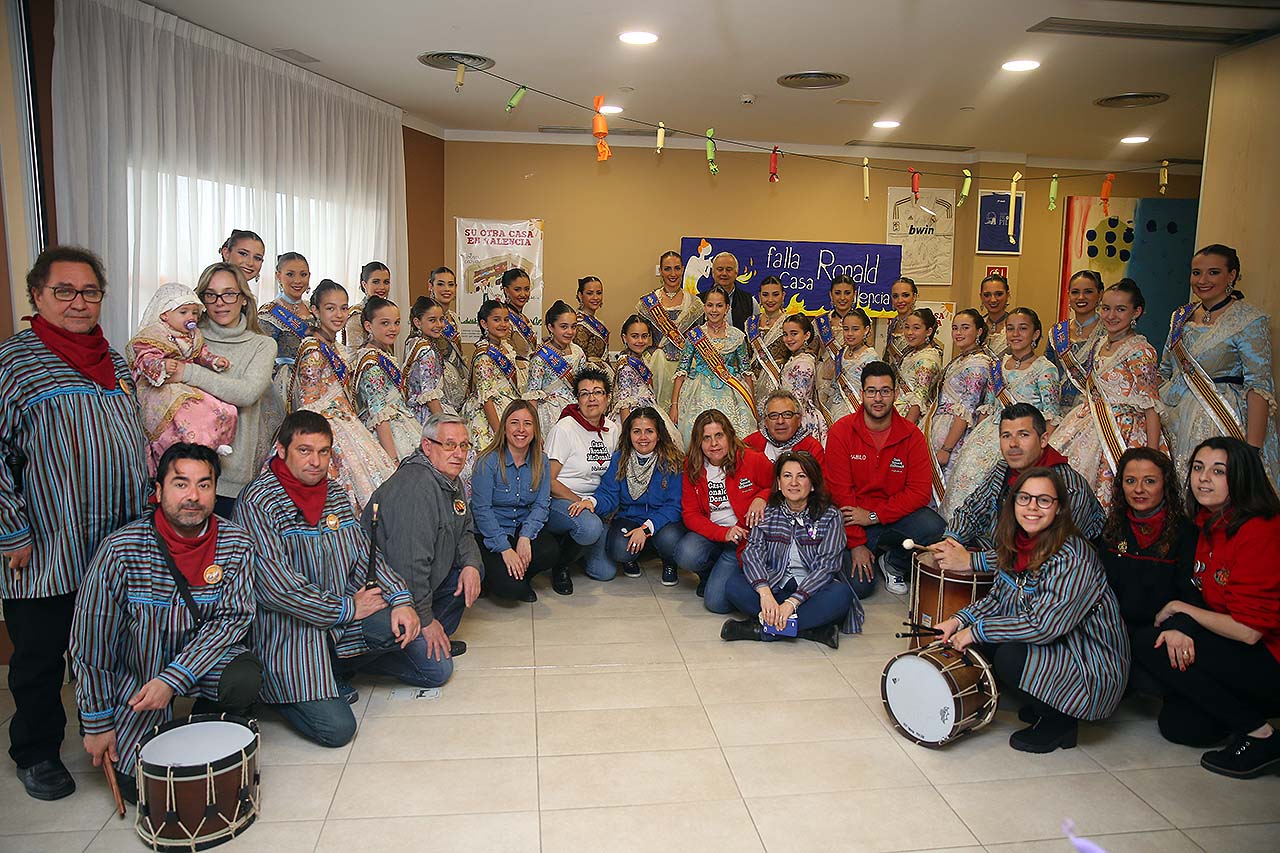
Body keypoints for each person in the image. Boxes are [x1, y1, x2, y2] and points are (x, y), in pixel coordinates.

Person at [0, 246, 151, 800]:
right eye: (64, 291)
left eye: (89, 291)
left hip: (114, 537)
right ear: (37, 295)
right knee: (40, 654)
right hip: (45, 544)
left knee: (112, 646)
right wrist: (11, 527)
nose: (78, 302)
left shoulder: (112, 361)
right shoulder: (14, 362)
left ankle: (120, 735)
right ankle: (36, 751)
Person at [71, 444, 262, 801]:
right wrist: (96, 723)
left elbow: (233, 619)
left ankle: (209, 721)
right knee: (144, 786)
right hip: (138, 678)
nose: (193, 496)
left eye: (204, 485)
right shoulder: (120, 550)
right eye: (181, 484)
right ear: (158, 492)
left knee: (244, 674)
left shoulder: (236, 543)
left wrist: (173, 679)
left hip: (199, 664)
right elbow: (90, 640)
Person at [232, 411, 422, 748]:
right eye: (304, 450)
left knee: (420, 652)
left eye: (323, 451)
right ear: (281, 450)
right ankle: (278, 690)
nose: (315, 461)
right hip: (289, 632)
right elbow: (277, 589)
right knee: (338, 731)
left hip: (339, 621)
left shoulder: (333, 493)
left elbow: (366, 553)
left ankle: (334, 668)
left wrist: (401, 599)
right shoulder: (257, 502)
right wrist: (348, 607)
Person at [935, 467, 1129, 753]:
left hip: (1090, 663)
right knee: (984, 644)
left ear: (1059, 507)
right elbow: (999, 599)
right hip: (1060, 647)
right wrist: (957, 620)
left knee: (1009, 657)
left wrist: (975, 631)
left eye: (1043, 500)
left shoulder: (1073, 556)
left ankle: (1061, 723)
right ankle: (1045, 702)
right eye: (1024, 499)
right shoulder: (1018, 545)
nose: (1032, 508)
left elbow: (1044, 625)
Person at [1130, 437, 1280, 778]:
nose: (1203, 479)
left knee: (1147, 641)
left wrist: (1182, 613)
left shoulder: (1260, 530)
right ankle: (1245, 715)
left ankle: (1263, 736)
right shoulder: (1206, 523)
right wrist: (1183, 623)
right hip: (1235, 648)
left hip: (1269, 657)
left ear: (1242, 477)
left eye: (1218, 471)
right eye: (1198, 468)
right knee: (1181, 728)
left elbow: (1249, 631)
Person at [363, 413, 483, 672]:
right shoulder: (416, 486)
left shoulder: (451, 479)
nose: (459, 454)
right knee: (438, 670)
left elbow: (465, 531)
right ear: (427, 446)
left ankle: (425, 636)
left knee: (472, 570)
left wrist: (471, 565)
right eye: (449, 445)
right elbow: (408, 566)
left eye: (464, 446)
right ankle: (371, 660)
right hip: (388, 596)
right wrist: (427, 621)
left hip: (424, 581)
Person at [1158, 244, 1279, 491]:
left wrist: (1251, 450)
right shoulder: (1180, 317)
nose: (1202, 280)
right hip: (1174, 419)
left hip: (1223, 418)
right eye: (1196, 273)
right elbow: (1165, 369)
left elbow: (1259, 386)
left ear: (1231, 275)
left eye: (1213, 272)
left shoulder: (1249, 320)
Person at [933, 403, 1103, 573]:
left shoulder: (1069, 488)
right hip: (1008, 558)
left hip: (1056, 581)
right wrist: (951, 541)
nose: (1013, 444)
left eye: (1023, 435)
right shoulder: (1004, 469)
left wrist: (973, 561)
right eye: (1006, 436)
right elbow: (973, 510)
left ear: (1043, 440)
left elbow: (1046, 552)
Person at [824, 361, 945, 597]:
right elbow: (841, 494)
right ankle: (870, 551)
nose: (878, 398)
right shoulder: (841, 431)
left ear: (896, 394)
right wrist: (857, 543)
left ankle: (894, 562)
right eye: (871, 391)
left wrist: (874, 515)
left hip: (890, 518)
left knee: (934, 526)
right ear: (862, 394)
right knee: (860, 588)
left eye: (885, 391)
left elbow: (919, 492)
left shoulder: (912, 436)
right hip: (853, 522)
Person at [721, 451, 859, 648]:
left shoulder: (831, 516)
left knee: (841, 594)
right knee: (734, 585)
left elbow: (827, 567)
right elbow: (752, 554)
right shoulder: (767, 512)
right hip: (775, 584)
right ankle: (810, 630)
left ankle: (760, 630)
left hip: (812, 590)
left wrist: (792, 603)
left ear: (812, 484)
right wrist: (765, 594)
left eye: (801, 476)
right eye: (787, 476)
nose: (793, 482)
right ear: (778, 483)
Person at [1050, 279, 1166, 507]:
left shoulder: (1141, 350)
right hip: (1087, 421)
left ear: (1137, 311)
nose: (1111, 315)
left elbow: (1152, 406)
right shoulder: (1100, 343)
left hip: (1123, 430)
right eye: (1106, 308)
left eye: (1120, 309)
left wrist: (1153, 456)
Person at [942, 308, 1061, 520]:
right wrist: (975, 439)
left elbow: (1051, 417)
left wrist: (1039, 452)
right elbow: (987, 406)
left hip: (1024, 436)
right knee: (967, 471)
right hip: (991, 431)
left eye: (1022, 329)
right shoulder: (998, 366)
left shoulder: (1045, 368)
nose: (1015, 334)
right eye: (1011, 328)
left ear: (1035, 334)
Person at [290, 279, 395, 513]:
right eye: (330, 308)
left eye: (344, 308)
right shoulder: (313, 349)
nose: (339, 314)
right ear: (315, 310)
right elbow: (308, 405)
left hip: (348, 422)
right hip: (325, 428)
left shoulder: (338, 348)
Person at [189, 262, 282, 517]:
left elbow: (246, 393)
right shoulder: (188, 339)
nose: (220, 302)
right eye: (211, 294)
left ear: (243, 298)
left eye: (229, 293)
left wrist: (189, 373)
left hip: (233, 478)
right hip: (185, 471)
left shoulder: (262, 345)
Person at [128, 283, 237, 468]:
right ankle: (189, 447)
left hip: (185, 383)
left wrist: (214, 361)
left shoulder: (193, 335)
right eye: (184, 312)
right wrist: (161, 365)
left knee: (223, 408)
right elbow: (144, 359)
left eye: (194, 313)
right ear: (165, 314)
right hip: (161, 386)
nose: (191, 317)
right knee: (187, 415)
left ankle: (212, 442)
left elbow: (201, 353)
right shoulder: (155, 334)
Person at [1097, 447, 1199, 636]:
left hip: (1165, 633)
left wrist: (1180, 629)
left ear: (1165, 485)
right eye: (1130, 481)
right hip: (1113, 632)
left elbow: (1192, 598)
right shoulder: (1112, 529)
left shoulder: (1185, 533)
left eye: (1149, 481)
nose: (1138, 490)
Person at [676, 410, 771, 611]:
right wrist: (723, 533)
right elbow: (690, 514)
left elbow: (778, 486)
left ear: (729, 435)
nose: (714, 444)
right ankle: (711, 572)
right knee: (686, 552)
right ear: (698, 443)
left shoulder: (752, 459)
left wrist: (762, 497)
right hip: (714, 534)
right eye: (706, 438)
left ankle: (731, 573)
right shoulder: (692, 466)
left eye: (719, 436)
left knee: (716, 604)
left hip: (743, 538)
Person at [470, 400, 562, 602]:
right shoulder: (487, 461)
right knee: (510, 591)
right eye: (514, 423)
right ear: (504, 428)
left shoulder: (542, 461)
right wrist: (504, 548)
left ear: (535, 430)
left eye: (528, 423)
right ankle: (501, 577)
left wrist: (525, 537)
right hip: (491, 531)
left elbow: (541, 504)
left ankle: (518, 574)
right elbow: (481, 510)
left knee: (550, 551)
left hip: (520, 527)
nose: (521, 429)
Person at [543, 367, 622, 591]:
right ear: (577, 399)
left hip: (596, 502)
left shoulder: (612, 429)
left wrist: (601, 504)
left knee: (604, 573)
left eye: (597, 392)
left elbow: (614, 474)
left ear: (607, 398)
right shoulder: (565, 428)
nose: (591, 398)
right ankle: (561, 565)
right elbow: (549, 481)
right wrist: (581, 502)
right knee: (589, 527)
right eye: (584, 393)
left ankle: (575, 545)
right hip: (561, 500)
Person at [593, 407, 686, 585]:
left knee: (670, 540)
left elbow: (675, 506)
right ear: (629, 435)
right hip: (630, 517)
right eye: (637, 432)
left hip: (663, 522)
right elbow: (609, 494)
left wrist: (646, 529)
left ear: (659, 434)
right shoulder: (619, 459)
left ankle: (669, 560)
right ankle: (633, 555)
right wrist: (592, 502)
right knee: (619, 550)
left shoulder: (673, 461)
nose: (643, 437)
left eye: (649, 431)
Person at [670, 286, 756, 446]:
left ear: (727, 308)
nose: (714, 310)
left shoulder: (737, 336)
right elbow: (681, 371)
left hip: (731, 390)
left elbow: (746, 372)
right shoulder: (695, 336)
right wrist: (674, 405)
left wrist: (752, 406)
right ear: (704, 307)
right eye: (710, 305)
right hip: (698, 391)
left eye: (719, 305)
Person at [927, 309, 992, 505]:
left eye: (965, 328)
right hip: (940, 425)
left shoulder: (978, 364)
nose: (958, 333)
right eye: (955, 328)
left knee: (946, 488)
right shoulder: (961, 359)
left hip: (954, 435)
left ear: (979, 331)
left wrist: (947, 448)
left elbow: (967, 409)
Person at [351, 296, 422, 461]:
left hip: (400, 422)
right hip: (388, 433)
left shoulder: (383, 353)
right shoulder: (373, 363)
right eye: (385, 323)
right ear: (368, 326)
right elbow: (379, 413)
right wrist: (392, 459)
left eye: (396, 322)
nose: (393, 328)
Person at [638, 250, 704, 412]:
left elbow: (698, 338)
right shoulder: (648, 303)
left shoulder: (695, 304)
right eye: (667, 269)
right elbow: (642, 337)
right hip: (656, 364)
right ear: (661, 271)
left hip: (686, 366)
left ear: (682, 269)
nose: (672, 273)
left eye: (676, 268)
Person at [611, 314, 682, 449]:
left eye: (644, 336)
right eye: (635, 336)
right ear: (624, 338)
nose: (640, 340)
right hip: (634, 417)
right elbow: (624, 403)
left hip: (648, 410)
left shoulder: (641, 358)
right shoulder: (626, 365)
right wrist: (628, 434)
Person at [463, 300, 522, 453]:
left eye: (506, 319)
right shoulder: (484, 355)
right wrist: (499, 433)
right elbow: (486, 398)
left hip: (509, 404)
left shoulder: (505, 347)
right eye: (496, 320)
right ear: (484, 323)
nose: (503, 324)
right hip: (490, 412)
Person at [258, 251, 315, 403]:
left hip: (317, 378)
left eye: (303, 275)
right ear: (278, 276)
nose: (297, 280)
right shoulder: (269, 312)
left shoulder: (314, 309)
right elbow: (262, 358)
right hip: (284, 385)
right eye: (290, 274)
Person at [526, 300, 588, 438]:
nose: (570, 332)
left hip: (576, 412)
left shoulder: (578, 352)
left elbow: (584, 385)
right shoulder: (540, 357)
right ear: (551, 327)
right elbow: (532, 396)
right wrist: (534, 430)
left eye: (574, 327)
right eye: (564, 327)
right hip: (549, 415)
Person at [1047, 270, 1104, 409]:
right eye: (1075, 292)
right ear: (1068, 295)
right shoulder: (1057, 332)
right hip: (1058, 409)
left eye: (1088, 292)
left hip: (1095, 410)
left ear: (1100, 294)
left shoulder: (1108, 331)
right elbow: (1049, 372)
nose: (1081, 297)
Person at [774, 314, 827, 444]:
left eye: (794, 334)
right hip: (789, 412)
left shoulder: (804, 363)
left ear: (807, 335)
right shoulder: (796, 359)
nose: (789, 339)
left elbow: (798, 399)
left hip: (798, 417)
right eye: (785, 334)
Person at [403, 296, 457, 423]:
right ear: (417, 322)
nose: (439, 325)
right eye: (432, 320)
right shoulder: (426, 350)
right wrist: (443, 423)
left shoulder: (413, 341)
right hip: (427, 413)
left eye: (441, 319)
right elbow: (429, 394)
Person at [819, 307, 876, 422]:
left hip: (858, 410)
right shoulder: (840, 353)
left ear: (866, 330)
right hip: (836, 408)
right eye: (846, 329)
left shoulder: (871, 357)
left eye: (855, 329)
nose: (850, 334)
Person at [426, 266, 469, 412]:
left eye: (451, 285)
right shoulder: (423, 317)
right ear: (430, 286)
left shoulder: (454, 317)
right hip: (435, 385)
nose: (446, 289)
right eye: (440, 284)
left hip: (456, 382)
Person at [745, 390, 826, 465]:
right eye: (774, 416)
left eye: (787, 414)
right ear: (765, 422)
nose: (780, 421)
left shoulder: (812, 449)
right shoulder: (750, 444)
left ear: (799, 420)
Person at [746, 276, 789, 416]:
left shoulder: (790, 322)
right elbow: (746, 355)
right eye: (765, 295)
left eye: (775, 294)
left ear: (783, 295)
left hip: (778, 383)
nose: (770, 300)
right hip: (753, 384)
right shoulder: (751, 323)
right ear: (759, 296)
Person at [894, 308, 943, 424]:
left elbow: (919, 398)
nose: (910, 332)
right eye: (907, 327)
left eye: (916, 328)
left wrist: (906, 431)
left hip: (912, 418)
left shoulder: (927, 359)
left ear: (929, 331)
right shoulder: (913, 352)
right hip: (898, 411)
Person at [702, 252, 759, 332]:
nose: (724, 273)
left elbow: (754, 336)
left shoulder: (750, 302)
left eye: (729, 270)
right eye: (720, 269)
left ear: (736, 273)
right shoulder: (699, 301)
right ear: (713, 272)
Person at [500, 268, 539, 383]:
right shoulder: (504, 318)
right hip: (513, 376)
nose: (523, 294)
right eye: (517, 289)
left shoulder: (523, 317)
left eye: (526, 289)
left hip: (528, 373)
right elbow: (501, 349)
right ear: (506, 291)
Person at [341, 261, 391, 347]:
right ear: (364, 285)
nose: (382, 287)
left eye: (386, 282)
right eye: (376, 282)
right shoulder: (357, 314)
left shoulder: (389, 310)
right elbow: (353, 355)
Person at [573, 276, 611, 370]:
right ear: (580, 295)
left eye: (599, 293)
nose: (595, 297)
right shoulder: (578, 323)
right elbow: (578, 360)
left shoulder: (597, 321)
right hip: (589, 377)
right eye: (590, 293)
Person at [882, 276, 918, 368]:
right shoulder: (892, 324)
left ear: (914, 297)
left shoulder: (920, 322)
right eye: (895, 296)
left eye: (905, 295)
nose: (900, 300)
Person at [979, 273, 1013, 358]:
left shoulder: (1017, 326)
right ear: (981, 297)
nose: (993, 300)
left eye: (999, 294)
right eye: (987, 295)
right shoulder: (976, 325)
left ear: (1007, 294)